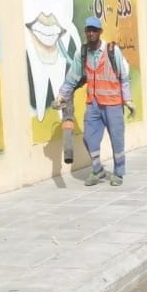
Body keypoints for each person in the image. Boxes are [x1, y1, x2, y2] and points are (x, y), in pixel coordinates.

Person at [54, 16, 134, 186]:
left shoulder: (112, 50)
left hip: (113, 104)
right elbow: (72, 78)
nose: (91, 33)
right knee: (89, 138)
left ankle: (119, 172)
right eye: (88, 30)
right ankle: (97, 170)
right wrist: (62, 95)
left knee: (117, 140)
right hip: (93, 104)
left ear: (100, 32)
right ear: (85, 32)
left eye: (94, 30)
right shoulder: (82, 53)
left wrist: (128, 100)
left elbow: (124, 78)